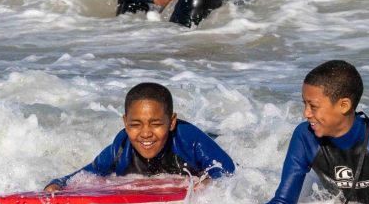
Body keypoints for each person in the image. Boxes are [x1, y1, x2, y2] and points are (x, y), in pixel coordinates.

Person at [210, 60, 369, 204]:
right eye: (304, 104)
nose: (306, 113)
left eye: (313, 106)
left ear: (344, 105)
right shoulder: (305, 137)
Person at [43, 82, 234, 191]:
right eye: (135, 125)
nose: (145, 133)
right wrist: (58, 183)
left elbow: (228, 171)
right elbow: (88, 173)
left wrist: (208, 185)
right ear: (125, 122)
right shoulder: (121, 146)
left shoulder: (189, 140)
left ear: (172, 121)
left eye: (156, 124)